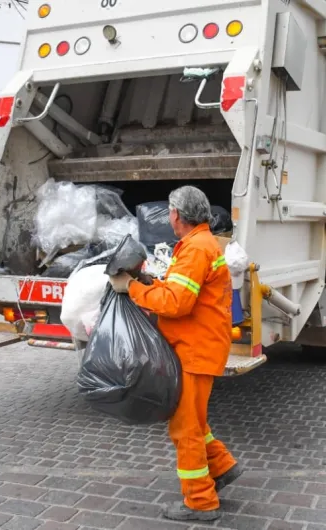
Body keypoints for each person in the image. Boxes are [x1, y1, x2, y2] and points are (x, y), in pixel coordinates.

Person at [109, 186, 242, 522]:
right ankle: (221, 467)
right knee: (194, 421)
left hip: (195, 349)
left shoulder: (196, 249)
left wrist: (133, 288)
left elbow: (176, 304)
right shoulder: (200, 244)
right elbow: (180, 290)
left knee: (185, 429)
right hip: (201, 345)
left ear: (176, 215)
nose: (168, 216)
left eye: (169, 210)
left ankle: (200, 502)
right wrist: (151, 282)